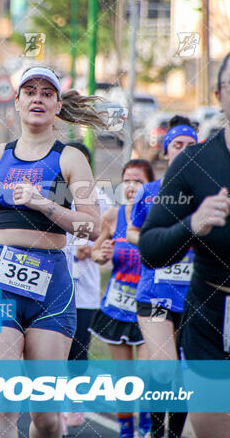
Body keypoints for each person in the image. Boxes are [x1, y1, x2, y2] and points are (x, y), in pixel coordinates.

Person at [0, 66, 107, 438]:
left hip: (52, 284)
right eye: (30, 91)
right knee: (4, 402)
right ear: (16, 102)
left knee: (45, 415)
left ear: (56, 106)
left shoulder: (70, 159)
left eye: (47, 92)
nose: (38, 97)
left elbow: (92, 226)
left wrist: (45, 204)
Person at [139, 52, 230, 438]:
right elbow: (152, 247)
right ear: (219, 95)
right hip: (212, 308)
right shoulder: (194, 163)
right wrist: (192, 224)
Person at [127, 116, 198, 438]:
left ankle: (172, 434)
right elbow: (131, 230)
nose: (183, 151)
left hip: (196, 298)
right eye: (177, 145)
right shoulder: (150, 192)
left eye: (190, 146)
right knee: (163, 366)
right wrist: (162, 243)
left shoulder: (210, 194)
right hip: (155, 294)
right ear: (167, 152)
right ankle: (155, 431)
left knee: (183, 373)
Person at [90, 159, 154, 438]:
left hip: (150, 308)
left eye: (138, 181)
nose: (131, 186)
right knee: (124, 377)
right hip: (117, 307)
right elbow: (95, 252)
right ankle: (127, 431)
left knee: (151, 375)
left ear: (150, 186)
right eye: (127, 180)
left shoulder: (158, 217)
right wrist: (100, 255)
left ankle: (149, 427)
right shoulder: (113, 217)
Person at [62, 141, 112, 432]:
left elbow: (104, 234)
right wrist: (74, 248)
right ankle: (52, 407)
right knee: (53, 349)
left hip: (85, 288)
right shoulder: (54, 195)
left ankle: (75, 402)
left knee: (78, 349)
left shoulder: (101, 198)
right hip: (54, 285)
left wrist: (91, 246)